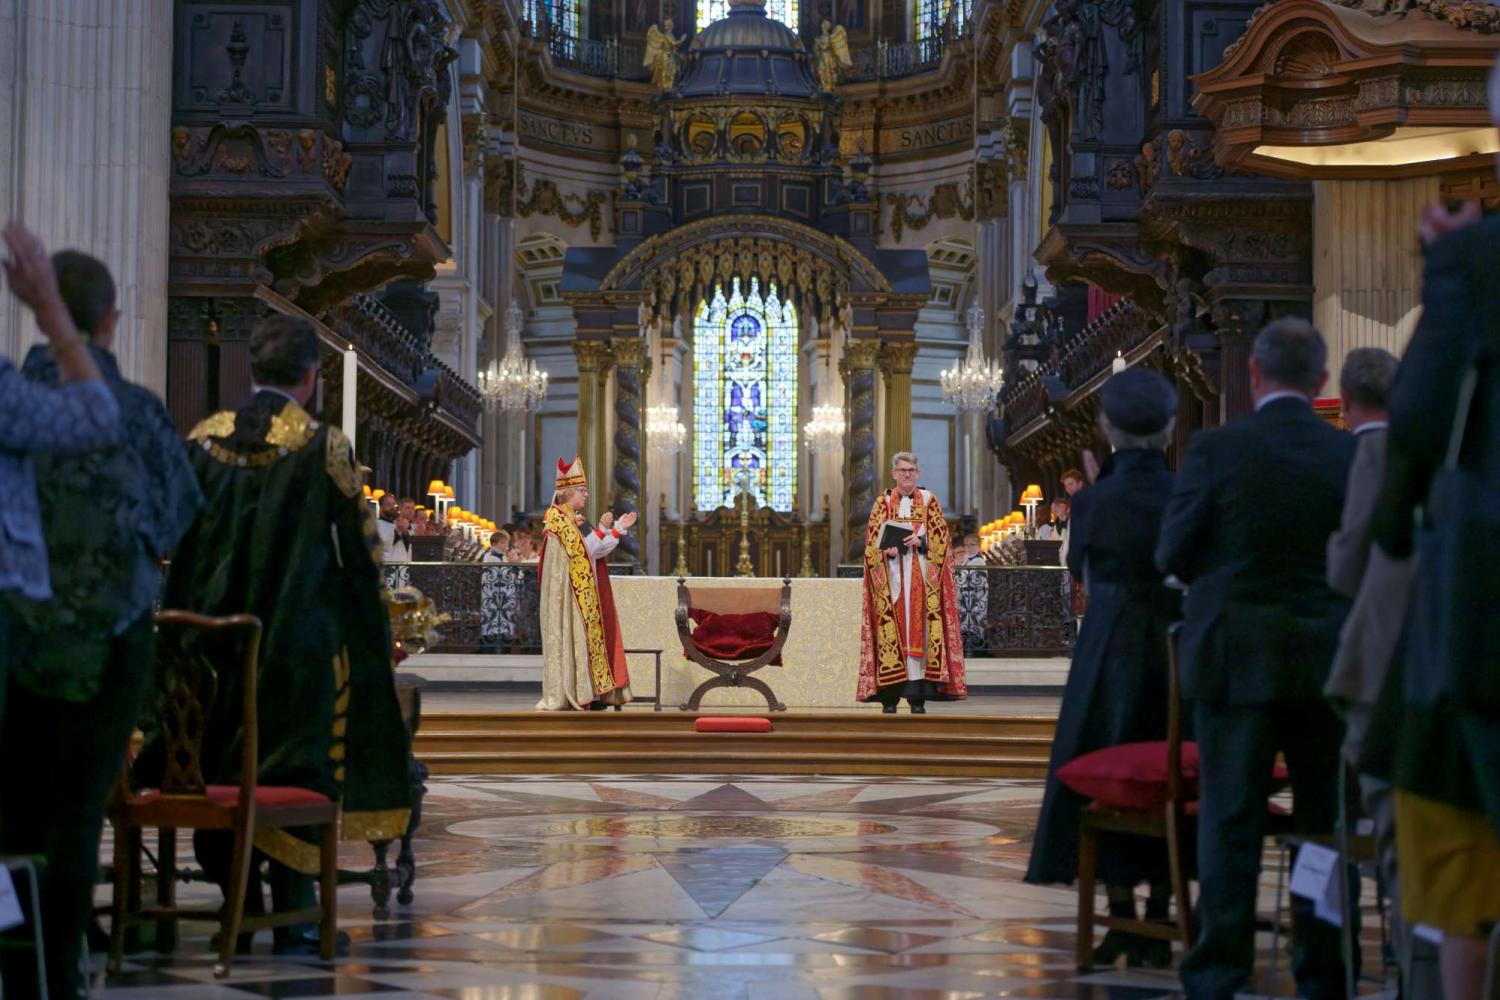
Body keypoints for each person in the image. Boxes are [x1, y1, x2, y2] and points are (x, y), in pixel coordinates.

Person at [157, 315, 411, 953]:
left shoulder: (202, 438)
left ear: (252, 370)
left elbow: (178, 543)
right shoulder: (322, 446)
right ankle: (295, 913)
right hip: (294, 652)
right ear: (311, 377)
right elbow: (360, 557)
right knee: (296, 765)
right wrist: (371, 639)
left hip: (208, 647)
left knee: (221, 758)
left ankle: (235, 901)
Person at [1157, 317, 1356, 1000]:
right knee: (1322, 822)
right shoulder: (1348, 457)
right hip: (1326, 663)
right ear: (1322, 380)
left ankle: (1221, 966)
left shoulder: (1217, 449)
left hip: (1236, 659)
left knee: (1231, 817)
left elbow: (1172, 555)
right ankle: (1324, 964)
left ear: (1253, 374)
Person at [1368, 191, 1500, 1000]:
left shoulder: (1476, 266)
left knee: (1453, 830)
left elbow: (1414, 425)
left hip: (1482, 610)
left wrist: (1450, 262)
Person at [0, 233, 130, 998]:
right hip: (37, 633)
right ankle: (24, 969)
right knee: (23, 821)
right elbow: (93, 418)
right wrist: (50, 312)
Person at [1026, 368, 1180, 968]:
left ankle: (1118, 914)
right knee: (1171, 767)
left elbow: (1081, 569)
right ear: (1169, 429)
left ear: (1108, 428)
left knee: (1105, 766)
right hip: (1174, 645)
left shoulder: (1092, 501)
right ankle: (1165, 911)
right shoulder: (1184, 491)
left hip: (1109, 646)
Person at [1321, 347, 1436, 997]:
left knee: (1393, 822)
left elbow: (1348, 563)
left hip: (1389, 661)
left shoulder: (1377, 455)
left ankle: (1408, 962)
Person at [856, 451, 968, 713]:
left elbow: (944, 542)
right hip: (892, 578)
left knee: (919, 633)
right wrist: (886, 549)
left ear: (918, 474)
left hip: (921, 575)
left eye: (911, 470)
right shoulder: (882, 502)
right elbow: (871, 544)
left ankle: (917, 698)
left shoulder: (929, 501)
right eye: (902, 470)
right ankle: (890, 698)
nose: (907, 474)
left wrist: (922, 542)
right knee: (891, 632)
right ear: (894, 473)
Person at [537, 457, 636, 710]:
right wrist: (609, 530)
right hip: (570, 598)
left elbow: (591, 552)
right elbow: (584, 551)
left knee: (587, 642)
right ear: (568, 493)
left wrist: (615, 529)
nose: (586, 494)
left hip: (580, 593)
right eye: (582, 490)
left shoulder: (571, 520)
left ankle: (589, 692)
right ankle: (578, 692)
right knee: (577, 640)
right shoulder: (559, 522)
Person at [376, 492, 412, 562]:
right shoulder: (376, 524)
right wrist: (397, 531)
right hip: (387, 565)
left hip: (402, 564)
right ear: (381, 507)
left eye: (393, 504)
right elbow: (382, 545)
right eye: (388, 504)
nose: (392, 507)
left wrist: (405, 532)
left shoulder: (399, 522)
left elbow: (409, 545)